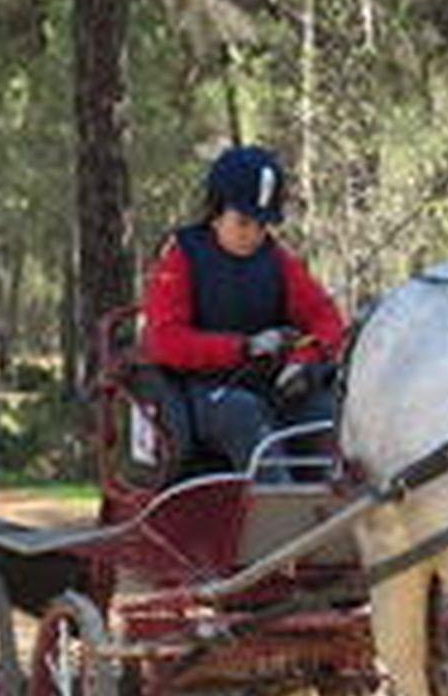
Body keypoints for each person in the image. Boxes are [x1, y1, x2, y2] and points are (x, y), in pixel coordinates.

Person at [139, 144, 347, 481]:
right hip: (202, 393)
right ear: (217, 211)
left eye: (263, 225)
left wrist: (304, 361)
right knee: (245, 415)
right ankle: (280, 516)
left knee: (324, 414)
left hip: (272, 386)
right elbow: (164, 340)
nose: (253, 235)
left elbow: (326, 319)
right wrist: (244, 348)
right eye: (244, 222)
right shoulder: (182, 255)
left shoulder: (278, 260)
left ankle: (334, 513)